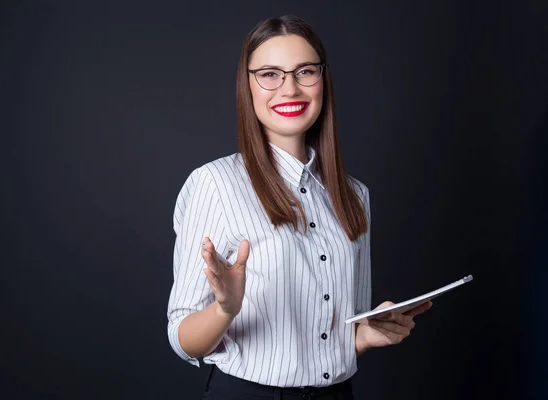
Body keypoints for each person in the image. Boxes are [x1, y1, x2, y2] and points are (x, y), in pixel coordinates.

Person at [166, 14, 433, 400]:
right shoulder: (215, 183)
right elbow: (182, 339)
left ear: (323, 81)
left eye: (305, 71)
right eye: (270, 74)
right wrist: (226, 308)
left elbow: (336, 332)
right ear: (248, 85)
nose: (289, 89)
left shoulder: (355, 195)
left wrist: (362, 336)